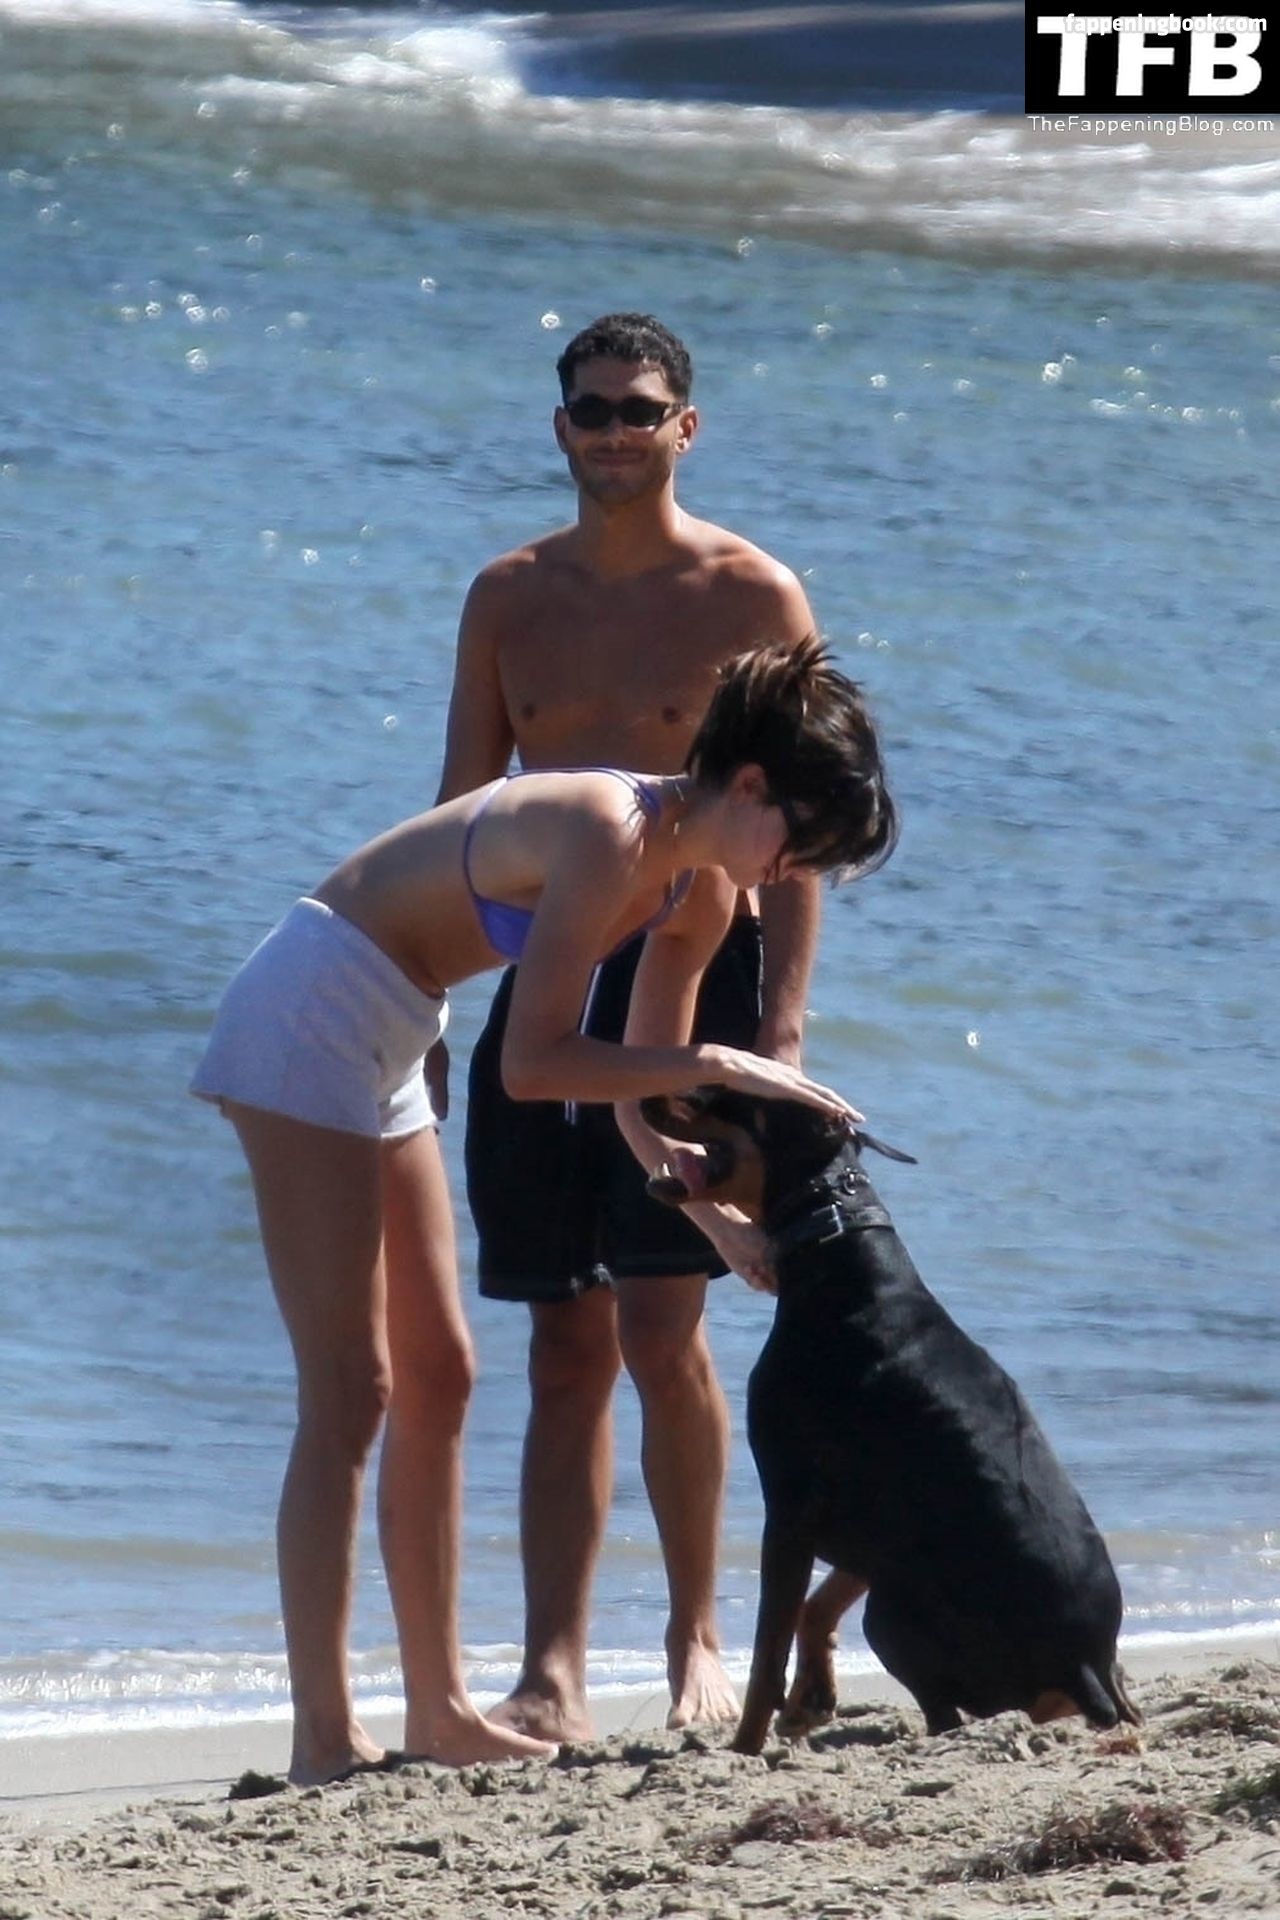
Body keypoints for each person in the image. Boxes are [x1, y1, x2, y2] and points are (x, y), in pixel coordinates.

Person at [191, 639, 897, 1787]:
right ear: (749, 785)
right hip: (312, 1008)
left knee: (442, 1374)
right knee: (351, 1387)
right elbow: (533, 1064)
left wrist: (712, 1217)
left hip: (395, 1026)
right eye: (798, 840)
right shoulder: (607, 827)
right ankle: (323, 1733)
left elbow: (628, 1083)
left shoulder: (702, 891)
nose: (791, 872)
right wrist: (723, 1059)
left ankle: (437, 1711)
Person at [435, 312, 828, 1742]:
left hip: (698, 971)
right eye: (591, 409)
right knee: (561, 1342)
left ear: (685, 427)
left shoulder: (751, 593)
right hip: (544, 973)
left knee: (665, 1325)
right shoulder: (507, 595)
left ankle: (697, 1634)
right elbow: (460, 816)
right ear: (561, 428)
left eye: (639, 409)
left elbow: (799, 831)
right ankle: (551, 1667)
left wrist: (781, 1031)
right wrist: (432, 1002)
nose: (614, 430)